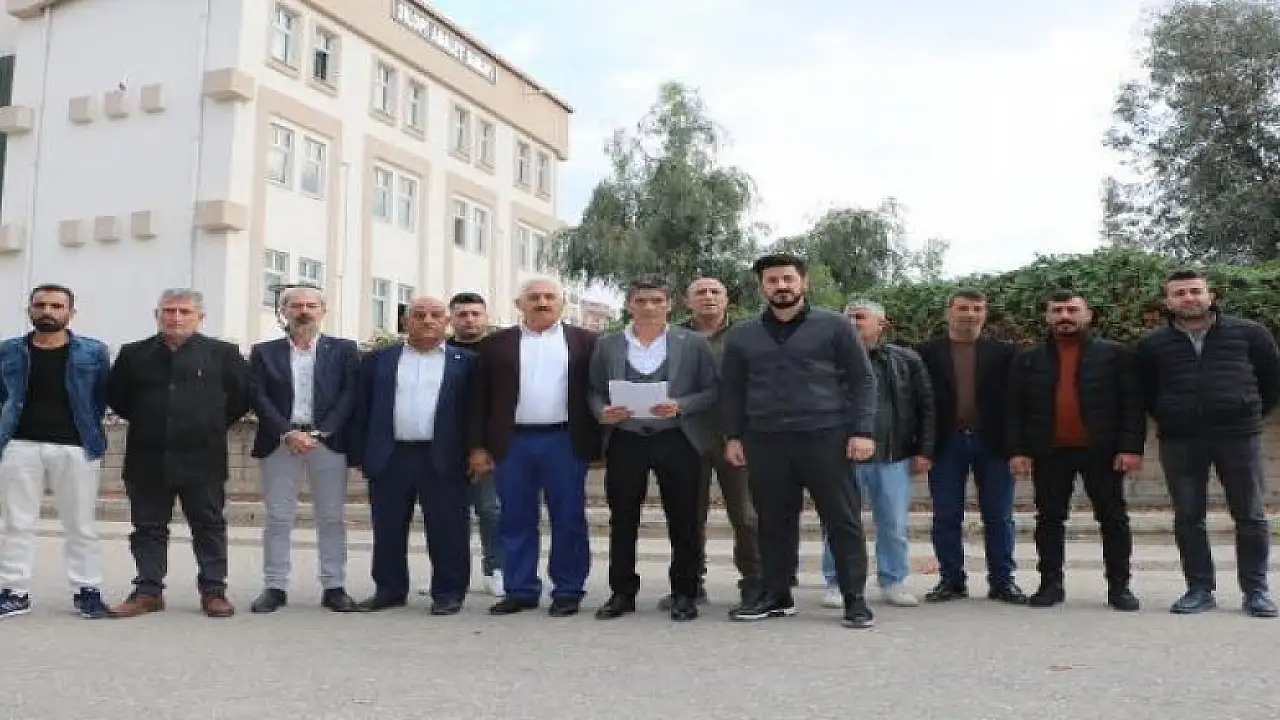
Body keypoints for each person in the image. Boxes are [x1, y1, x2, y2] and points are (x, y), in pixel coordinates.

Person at [721, 253, 877, 629]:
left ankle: (854, 598)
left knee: (842, 519)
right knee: (773, 521)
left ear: (802, 282)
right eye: (772, 280)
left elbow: (862, 380)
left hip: (826, 436)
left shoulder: (835, 326)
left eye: (787, 279)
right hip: (765, 440)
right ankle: (777, 595)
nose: (781, 286)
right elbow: (732, 390)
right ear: (762, 286)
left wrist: (862, 431)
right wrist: (733, 436)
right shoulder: (742, 334)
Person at [1136, 269, 1280, 618]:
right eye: (1179, 293)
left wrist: (1246, 410)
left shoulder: (1250, 333)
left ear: (1210, 295)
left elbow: (1272, 382)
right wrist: (1171, 414)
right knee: (1188, 516)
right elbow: (1147, 392)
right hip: (1180, 440)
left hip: (1238, 436)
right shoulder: (1152, 345)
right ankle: (1199, 589)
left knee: (1250, 515)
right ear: (1168, 301)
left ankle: (1256, 591)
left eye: (1195, 291)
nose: (1189, 298)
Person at [107, 289, 251, 619]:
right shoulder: (133, 354)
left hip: (203, 456)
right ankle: (148, 591)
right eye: (169, 310)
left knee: (208, 525)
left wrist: (208, 424)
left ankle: (214, 591)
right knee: (148, 527)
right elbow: (118, 397)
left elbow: (241, 397)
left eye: (184, 311)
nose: (175, 317)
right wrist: (153, 421)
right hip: (147, 455)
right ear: (156, 314)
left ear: (200, 317)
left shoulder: (223, 353)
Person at [588, 276, 719, 622]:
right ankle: (622, 592)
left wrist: (682, 405)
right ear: (629, 305)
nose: (649, 307)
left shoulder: (692, 343)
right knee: (622, 517)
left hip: (676, 437)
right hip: (626, 437)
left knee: (684, 518)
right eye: (641, 301)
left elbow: (712, 389)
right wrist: (603, 411)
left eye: (657, 300)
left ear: (669, 304)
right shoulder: (608, 344)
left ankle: (685, 593)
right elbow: (594, 389)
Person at [469, 277, 601, 618]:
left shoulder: (587, 342)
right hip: (512, 442)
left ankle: (568, 590)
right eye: (534, 297)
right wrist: (479, 447)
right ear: (519, 304)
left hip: (565, 440)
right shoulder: (495, 345)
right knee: (514, 517)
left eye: (549, 297)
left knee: (569, 517)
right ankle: (520, 589)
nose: (542, 302)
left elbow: (599, 391)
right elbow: (479, 400)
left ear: (562, 303)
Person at [1006, 290, 1144, 611]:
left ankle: (1119, 587)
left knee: (1113, 519)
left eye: (1072, 310)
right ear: (1048, 317)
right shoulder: (1028, 359)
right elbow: (1014, 409)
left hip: (1103, 451)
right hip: (1049, 452)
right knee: (1049, 519)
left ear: (1088, 315)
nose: (1064, 316)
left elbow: (1132, 404)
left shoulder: (1115, 355)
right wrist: (1017, 451)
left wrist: (1130, 447)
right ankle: (1050, 585)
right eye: (1057, 311)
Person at [348, 296, 477, 615]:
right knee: (388, 527)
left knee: (448, 528)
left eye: (435, 315)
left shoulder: (467, 362)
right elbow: (362, 408)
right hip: (391, 455)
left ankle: (448, 593)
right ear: (405, 322)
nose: (427, 320)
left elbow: (476, 413)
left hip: (444, 455)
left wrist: (478, 450)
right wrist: (359, 454)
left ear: (447, 322)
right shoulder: (378, 360)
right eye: (419, 315)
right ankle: (389, 589)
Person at [0, 284, 113, 620]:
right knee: (17, 522)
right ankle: (14, 591)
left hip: (76, 447)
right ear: (29, 310)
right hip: (20, 445)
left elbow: (100, 397)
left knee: (81, 524)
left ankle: (87, 590)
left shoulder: (93, 351)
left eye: (56, 306)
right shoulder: (8, 351)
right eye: (40, 305)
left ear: (70, 312)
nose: (47, 311)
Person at [246, 286, 360, 614]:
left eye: (311, 305)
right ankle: (275, 586)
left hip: (327, 441)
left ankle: (334, 586)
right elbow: (257, 395)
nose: (304, 311)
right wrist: (286, 432)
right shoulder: (264, 352)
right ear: (284, 311)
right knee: (278, 517)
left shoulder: (343, 350)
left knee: (331, 517)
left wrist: (322, 432)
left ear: (323, 311)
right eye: (296, 306)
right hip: (280, 441)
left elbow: (350, 393)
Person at [819, 300, 935, 610]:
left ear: (881, 325)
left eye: (860, 317)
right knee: (838, 522)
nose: (853, 322)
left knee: (893, 524)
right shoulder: (827, 358)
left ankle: (893, 580)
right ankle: (837, 581)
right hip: (841, 456)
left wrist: (924, 450)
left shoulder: (906, 359)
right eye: (848, 317)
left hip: (892, 457)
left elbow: (926, 405)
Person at [916, 290, 1026, 605]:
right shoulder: (926, 353)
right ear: (949, 312)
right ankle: (951, 580)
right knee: (946, 515)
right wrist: (922, 448)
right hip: (946, 443)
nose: (970, 314)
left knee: (999, 516)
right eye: (963, 308)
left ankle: (1003, 581)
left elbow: (1016, 404)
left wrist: (1017, 449)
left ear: (984, 313)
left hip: (993, 443)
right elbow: (919, 403)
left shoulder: (1005, 354)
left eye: (977, 309)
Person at [679, 276, 761, 610]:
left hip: (736, 437)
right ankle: (690, 583)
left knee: (746, 515)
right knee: (688, 516)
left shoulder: (748, 334)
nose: (708, 297)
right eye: (700, 292)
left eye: (715, 292)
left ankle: (754, 582)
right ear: (687, 301)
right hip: (687, 435)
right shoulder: (674, 337)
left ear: (727, 300)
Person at [440, 291, 503, 599]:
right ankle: (449, 576)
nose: (469, 320)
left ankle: (495, 570)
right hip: (445, 445)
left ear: (486, 317)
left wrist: (487, 447)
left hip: (488, 447)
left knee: (491, 510)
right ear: (451, 318)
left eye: (475, 314)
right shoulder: (438, 352)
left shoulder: (499, 352)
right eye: (462, 314)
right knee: (448, 514)